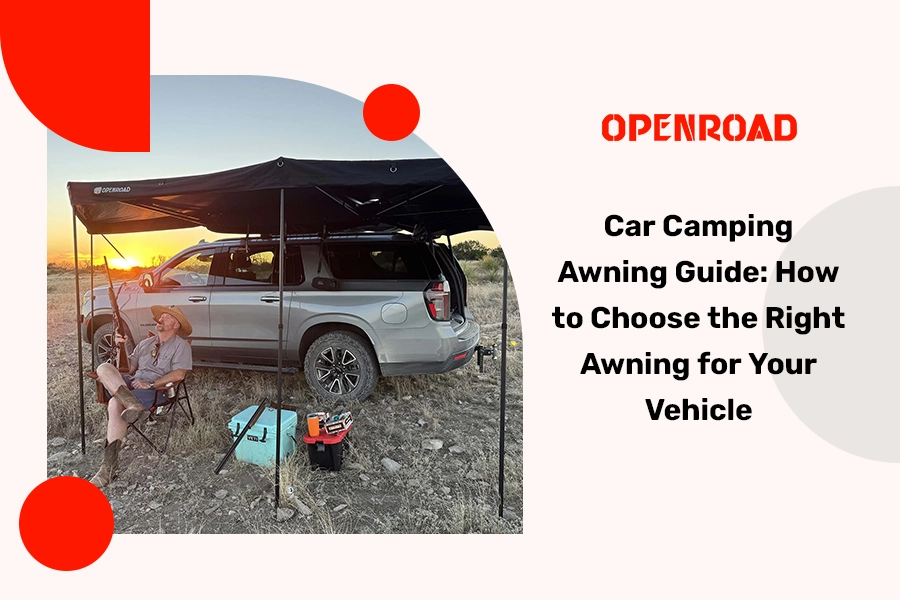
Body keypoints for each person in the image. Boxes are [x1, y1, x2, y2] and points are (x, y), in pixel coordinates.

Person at [90, 305, 193, 488]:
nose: (160, 319)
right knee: (103, 368)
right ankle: (131, 403)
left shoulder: (181, 346)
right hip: (131, 383)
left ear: (176, 325)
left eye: (167, 317)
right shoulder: (146, 343)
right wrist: (120, 346)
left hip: (154, 391)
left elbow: (179, 375)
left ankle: (107, 468)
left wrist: (151, 384)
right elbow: (127, 369)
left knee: (115, 403)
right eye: (160, 316)